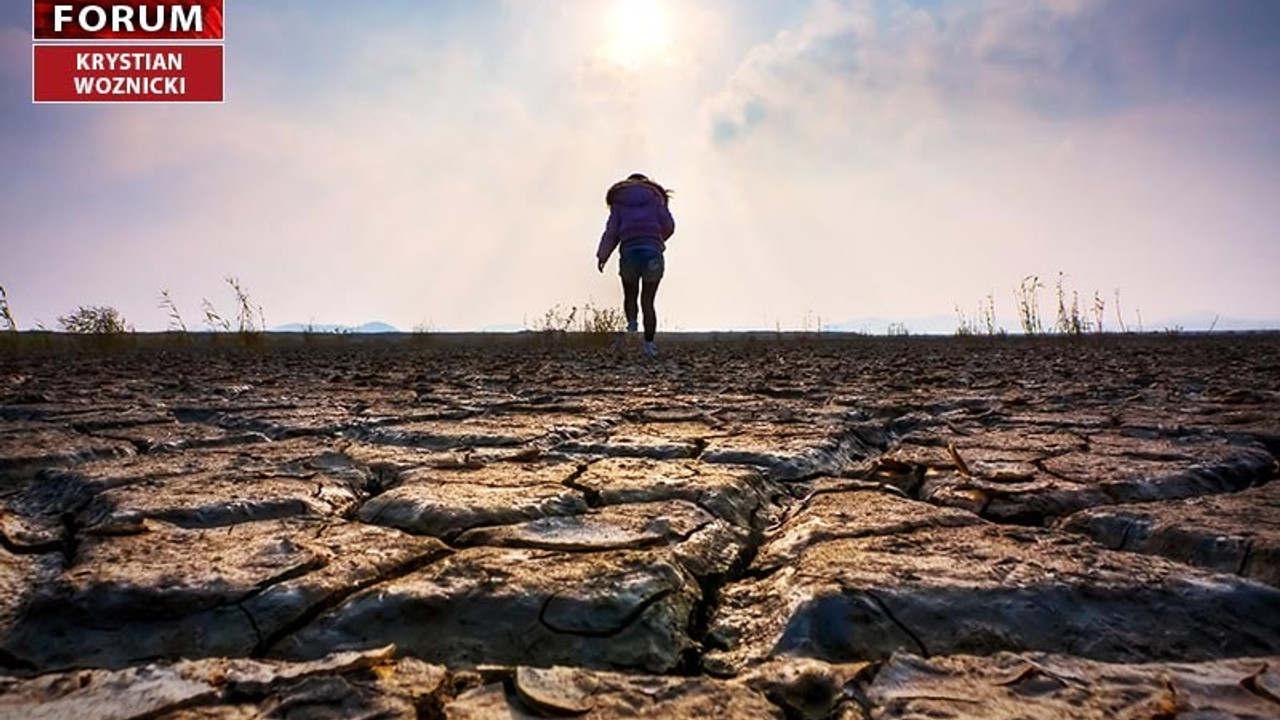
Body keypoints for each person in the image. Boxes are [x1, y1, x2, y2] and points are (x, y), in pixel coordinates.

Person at [596, 173, 675, 357]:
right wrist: (656, 239)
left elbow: (612, 232)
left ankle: (632, 326)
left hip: (630, 252)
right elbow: (669, 225)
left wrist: (603, 255)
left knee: (630, 295)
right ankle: (649, 346)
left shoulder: (619, 202)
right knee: (648, 301)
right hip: (652, 253)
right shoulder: (656, 199)